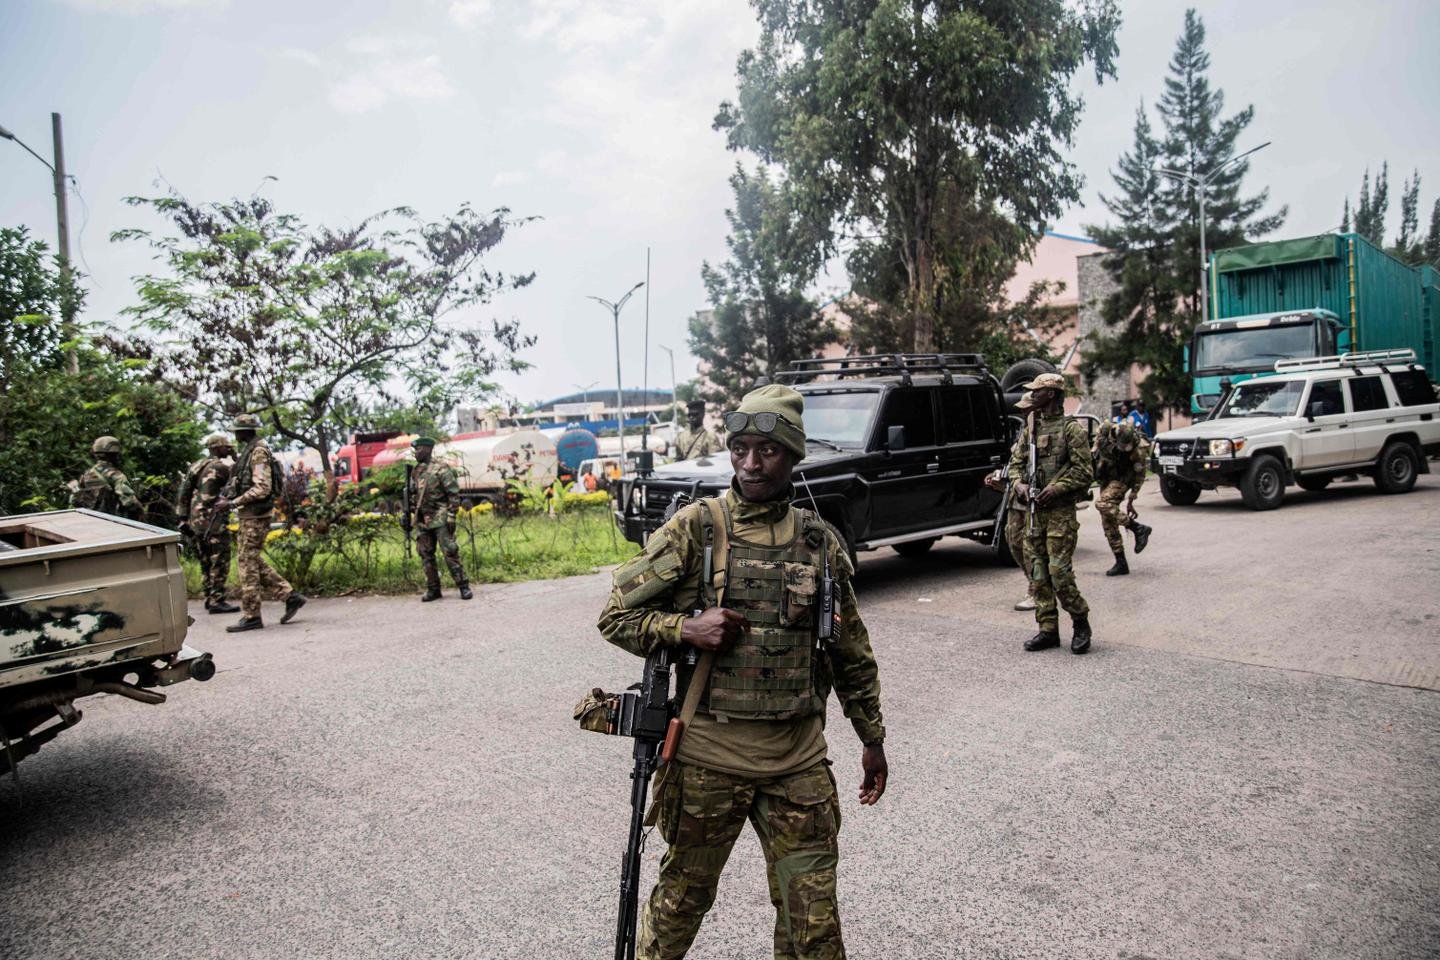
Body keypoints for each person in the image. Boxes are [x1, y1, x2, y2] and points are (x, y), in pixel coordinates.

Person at [598, 383, 888, 960]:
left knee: (814, 928)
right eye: (740, 448)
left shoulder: (819, 544)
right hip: (708, 759)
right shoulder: (697, 529)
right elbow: (615, 617)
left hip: (798, 762)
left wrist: (871, 737)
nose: (751, 464)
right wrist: (684, 629)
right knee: (679, 907)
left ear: (794, 454)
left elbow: (850, 651)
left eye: (768, 450)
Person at [1006, 373, 1094, 655]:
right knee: (1038, 574)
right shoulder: (1031, 429)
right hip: (1033, 513)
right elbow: (1016, 464)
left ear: (1052, 394)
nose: (1033, 395)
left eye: (1038, 391)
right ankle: (1047, 630)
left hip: (1059, 514)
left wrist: (1056, 489)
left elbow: (1084, 472)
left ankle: (1080, 622)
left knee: (1059, 573)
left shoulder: (1071, 431)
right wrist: (1018, 483)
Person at [213, 413, 306, 632]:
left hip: (256, 515)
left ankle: (252, 615)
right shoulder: (250, 451)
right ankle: (289, 595)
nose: (235, 434)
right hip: (251, 515)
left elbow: (261, 488)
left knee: (247, 562)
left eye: (237, 431)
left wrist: (233, 503)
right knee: (250, 559)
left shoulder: (258, 452)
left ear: (245, 431)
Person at [985, 391, 1039, 611]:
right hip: (1018, 496)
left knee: (1033, 547)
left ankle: (1037, 590)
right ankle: (1036, 584)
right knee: (1013, 541)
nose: (1024, 412)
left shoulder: (1050, 432)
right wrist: (1001, 476)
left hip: (1039, 498)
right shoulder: (1025, 432)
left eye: (1028, 409)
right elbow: (1017, 462)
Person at [176, 432, 239, 614]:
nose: (229, 449)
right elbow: (236, 487)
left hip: (195, 520)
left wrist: (182, 517)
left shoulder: (197, 465)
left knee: (204, 559)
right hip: (213, 520)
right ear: (218, 447)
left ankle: (208, 597)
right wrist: (236, 462)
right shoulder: (221, 467)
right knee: (219, 560)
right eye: (227, 446)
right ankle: (217, 600)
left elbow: (184, 492)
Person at [407, 436, 472, 602]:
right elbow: (413, 497)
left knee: (450, 552)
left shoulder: (441, 469)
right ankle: (433, 589)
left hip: (440, 516)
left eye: (418, 449)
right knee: (426, 555)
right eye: (415, 450)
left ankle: (463, 586)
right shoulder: (416, 471)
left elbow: (453, 493)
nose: (415, 453)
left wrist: (451, 515)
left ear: (428, 449)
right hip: (423, 519)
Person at [1093, 421, 1154, 576]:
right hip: (1106, 477)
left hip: (1121, 479)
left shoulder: (1137, 448)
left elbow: (1140, 474)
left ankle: (1137, 528)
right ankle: (1121, 563)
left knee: (1102, 503)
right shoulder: (1105, 430)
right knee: (1108, 522)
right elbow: (1097, 446)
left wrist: (1132, 498)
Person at [74, 436, 141, 516]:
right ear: (114, 455)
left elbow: (74, 500)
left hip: (88, 520)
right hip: (109, 522)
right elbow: (128, 502)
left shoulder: (86, 475)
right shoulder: (116, 475)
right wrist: (140, 509)